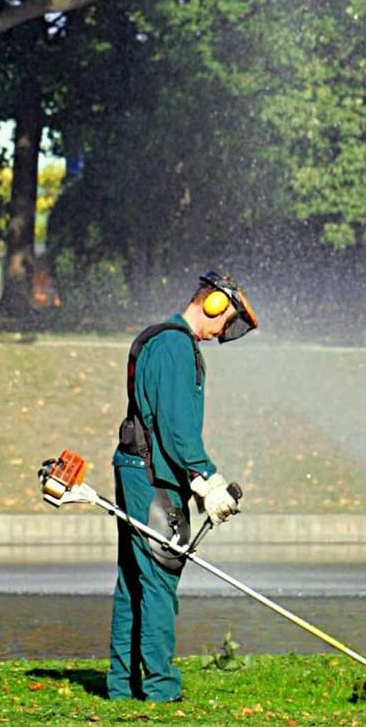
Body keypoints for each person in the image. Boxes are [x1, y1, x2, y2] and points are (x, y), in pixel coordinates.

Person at [107, 270, 259, 702]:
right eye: (225, 322)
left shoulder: (157, 338)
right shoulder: (176, 346)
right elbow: (176, 429)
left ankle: (123, 685)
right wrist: (206, 480)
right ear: (212, 303)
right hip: (155, 476)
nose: (221, 333)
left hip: (136, 467)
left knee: (133, 581)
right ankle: (159, 688)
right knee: (157, 578)